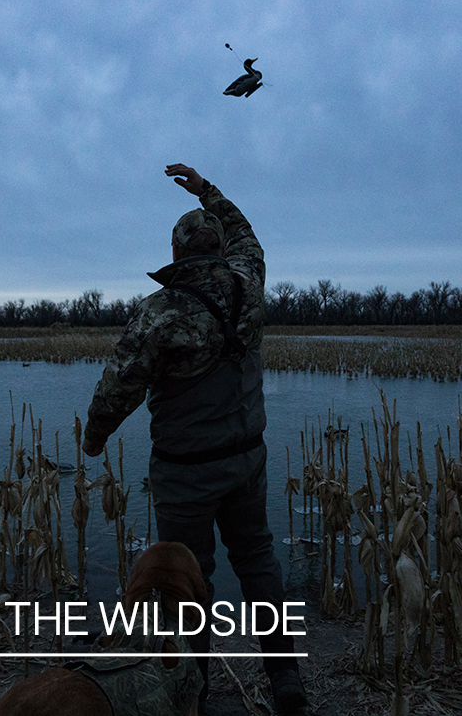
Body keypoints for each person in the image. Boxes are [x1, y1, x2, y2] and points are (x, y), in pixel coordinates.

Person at [81, 163, 307, 713]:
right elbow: (247, 234)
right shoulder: (248, 285)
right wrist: (207, 189)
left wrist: (94, 439)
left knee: (187, 581)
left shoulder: (161, 313)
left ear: (179, 255)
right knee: (258, 565)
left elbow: (118, 388)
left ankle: (194, 691)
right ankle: (288, 688)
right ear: (220, 247)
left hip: (184, 473)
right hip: (247, 460)